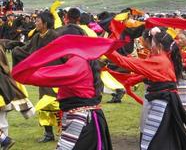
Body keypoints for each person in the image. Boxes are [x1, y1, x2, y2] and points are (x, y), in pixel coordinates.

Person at [12, 35, 123, 150]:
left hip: (82, 119)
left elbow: (39, 76)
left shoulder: (78, 62)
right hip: (83, 117)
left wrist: (28, 64)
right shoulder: (83, 59)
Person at [106, 27, 186, 150]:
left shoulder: (159, 60)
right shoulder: (165, 59)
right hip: (164, 101)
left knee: (152, 140)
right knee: (164, 137)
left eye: (153, 43)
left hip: (161, 104)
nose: (151, 46)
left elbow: (124, 62)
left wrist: (104, 48)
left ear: (159, 46)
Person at [12, 11, 59, 143]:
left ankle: (65, 132)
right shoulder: (37, 37)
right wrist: (15, 50)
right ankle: (48, 133)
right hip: (42, 76)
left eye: (38, 21)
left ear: (45, 23)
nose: (36, 23)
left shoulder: (55, 36)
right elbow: (28, 50)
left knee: (57, 104)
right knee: (44, 104)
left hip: (56, 75)